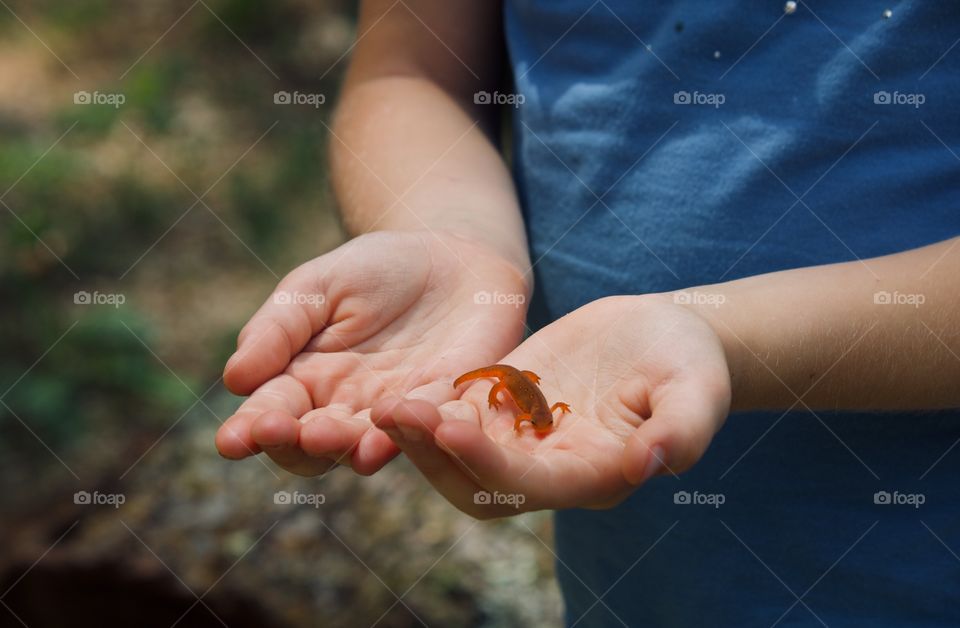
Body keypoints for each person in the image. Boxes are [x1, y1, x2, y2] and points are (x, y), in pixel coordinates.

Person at [216, 1, 960, 625]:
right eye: (538, 422)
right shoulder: (522, 399)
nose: (537, 423)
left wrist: (721, 337)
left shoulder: (538, 405)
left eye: (539, 421)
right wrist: (446, 235)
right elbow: (408, 69)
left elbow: (534, 402)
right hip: (641, 581)